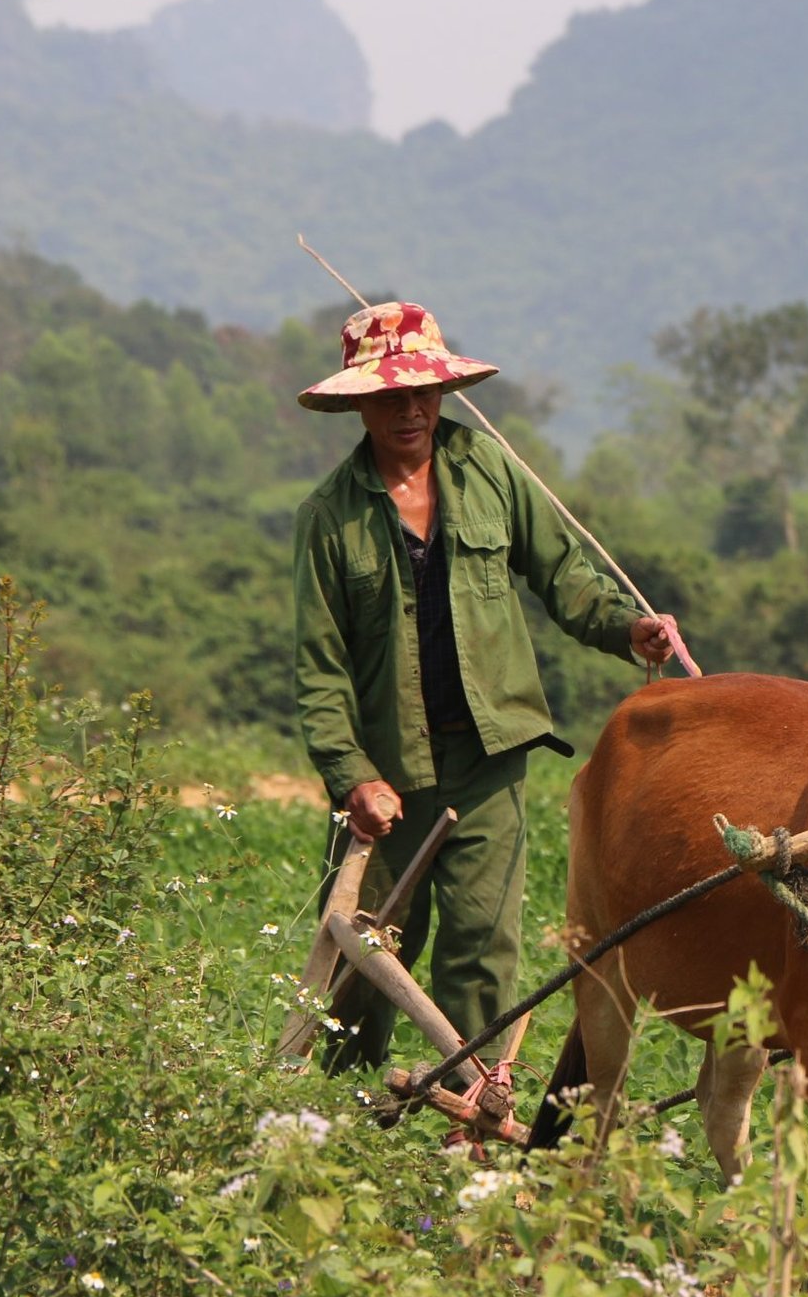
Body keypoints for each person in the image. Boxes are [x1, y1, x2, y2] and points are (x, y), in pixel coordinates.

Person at [291, 301, 682, 1072]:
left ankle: (471, 1114)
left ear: (444, 391)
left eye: (424, 391)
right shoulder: (329, 519)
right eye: (391, 395)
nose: (411, 409)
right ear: (358, 404)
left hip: (488, 758)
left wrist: (625, 626)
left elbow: (564, 573)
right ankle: (336, 1120)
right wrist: (352, 776)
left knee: (480, 949)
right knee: (367, 952)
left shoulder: (490, 469)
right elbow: (320, 668)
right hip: (386, 771)